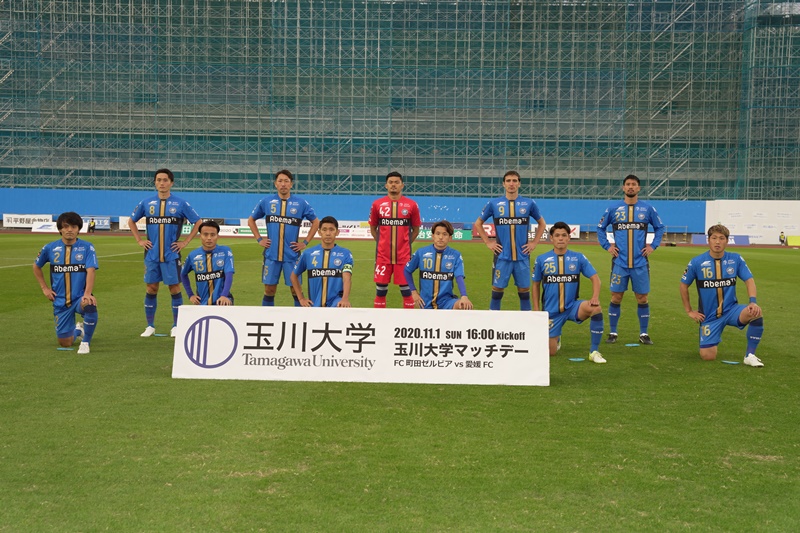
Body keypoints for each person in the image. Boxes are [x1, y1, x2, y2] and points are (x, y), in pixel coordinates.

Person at [128, 168, 202, 337]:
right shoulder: (146, 203)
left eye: (165, 180)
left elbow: (198, 222)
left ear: (171, 183)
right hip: (151, 254)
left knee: (174, 288)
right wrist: (139, 240)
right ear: (155, 182)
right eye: (159, 180)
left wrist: (185, 242)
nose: (162, 183)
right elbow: (131, 221)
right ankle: (150, 326)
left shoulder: (180, 203)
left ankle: (176, 326)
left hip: (171, 254)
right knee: (151, 288)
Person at [679, 224, 764, 367]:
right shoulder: (697, 262)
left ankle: (750, 355)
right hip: (709, 317)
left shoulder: (736, 259)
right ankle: (711, 338)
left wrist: (752, 301)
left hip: (731, 310)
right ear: (708, 240)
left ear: (727, 241)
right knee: (708, 356)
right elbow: (683, 285)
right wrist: (689, 310)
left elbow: (749, 280)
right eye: (714, 238)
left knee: (756, 312)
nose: (717, 242)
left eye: (721, 238)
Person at [597, 174, 666, 345]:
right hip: (619, 263)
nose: (630, 187)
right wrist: (608, 246)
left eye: (633, 184)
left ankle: (644, 333)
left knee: (642, 298)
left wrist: (653, 246)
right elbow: (600, 228)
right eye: (627, 184)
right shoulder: (613, 209)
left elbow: (660, 227)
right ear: (623, 187)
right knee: (616, 297)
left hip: (640, 263)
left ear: (638, 188)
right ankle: (613, 332)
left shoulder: (647, 209)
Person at [532, 222, 606, 363]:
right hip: (551, 312)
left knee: (595, 308)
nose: (560, 238)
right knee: (551, 352)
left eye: (564, 235)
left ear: (568, 238)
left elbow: (595, 278)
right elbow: (535, 285)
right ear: (551, 238)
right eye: (557, 235)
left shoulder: (578, 257)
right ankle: (557, 336)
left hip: (572, 307)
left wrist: (595, 297)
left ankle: (594, 351)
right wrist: (536, 309)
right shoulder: (541, 259)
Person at [474, 170, 546, 311]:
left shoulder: (529, 203)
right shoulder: (494, 203)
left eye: (514, 181)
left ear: (519, 183)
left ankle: (526, 322)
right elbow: (478, 223)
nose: (511, 184)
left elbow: (542, 223)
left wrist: (534, 242)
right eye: (508, 181)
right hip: (502, 257)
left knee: (524, 292)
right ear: (503, 184)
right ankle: (493, 321)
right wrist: (488, 242)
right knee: (496, 291)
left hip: (522, 257)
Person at [247, 169, 319, 306]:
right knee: (269, 289)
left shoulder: (301, 203)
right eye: (280, 181)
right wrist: (259, 239)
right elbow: (251, 220)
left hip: (292, 255)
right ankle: (267, 316)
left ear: (291, 184)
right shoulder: (267, 201)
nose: (283, 184)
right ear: (275, 184)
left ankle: (298, 317)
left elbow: (316, 222)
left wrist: (305, 242)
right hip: (271, 255)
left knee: (295, 290)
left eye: (286, 181)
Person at [32, 212, 99, 355]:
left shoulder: (87, 247)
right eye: (66, 226)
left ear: (78, 229)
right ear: (60, 229)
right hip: (60, 300)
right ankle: (78, 330)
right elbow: (36, 266)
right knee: (65, 343)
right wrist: (45, 288)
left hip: (79, 297)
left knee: (90, 303)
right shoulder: (49, 248)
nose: (70, 230)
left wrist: (87, 293)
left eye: (74, 227)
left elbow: (91, 270)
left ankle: (85, 342)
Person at [369, 171, 421, 309]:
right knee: (380, 291)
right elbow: (373, 228)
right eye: (390, 182)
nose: (393, 185)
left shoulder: (412, 205)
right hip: (382, 257)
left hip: (403, 257)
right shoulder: (377, 204)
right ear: (386, 185)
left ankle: (408, 319)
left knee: (406, 291)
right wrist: (382, 243)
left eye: (397, 182)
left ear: (402, 185)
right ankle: (379, 318)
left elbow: (416, 229)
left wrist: (405, 243)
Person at [404, 220, 473, 310]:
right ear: (433, 236)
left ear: (450, 237)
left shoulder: (455, 255)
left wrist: (464, 296)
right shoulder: (421, 253)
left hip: (447, 301)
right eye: (438, 234)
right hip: (425, 302)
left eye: (445, 234)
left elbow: (459, 277)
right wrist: (413, 292)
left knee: (464, 306)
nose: (441, 237)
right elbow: (407, 270)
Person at [290, 216, 353, 308]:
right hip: (314, 305)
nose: (328, 233)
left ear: (337, 232)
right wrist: (301, 298)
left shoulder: (345, 254)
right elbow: (293, 276)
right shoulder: (308, 253)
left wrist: (345, 299)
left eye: (331, 230)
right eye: (324, 230)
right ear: (319, 232)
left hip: (335, 303)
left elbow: (347, 277)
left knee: (342, 307)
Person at [180, 221, 235, 306]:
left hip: (222, 301)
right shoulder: (193, 255)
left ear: (217, 236)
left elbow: (229, 274)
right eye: (205, 235)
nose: (209, 238)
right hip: (202, 302)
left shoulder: (225, 251)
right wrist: (190, 295)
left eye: (212, 235)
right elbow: (183, 274)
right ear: (200, 236)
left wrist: (224, 295)